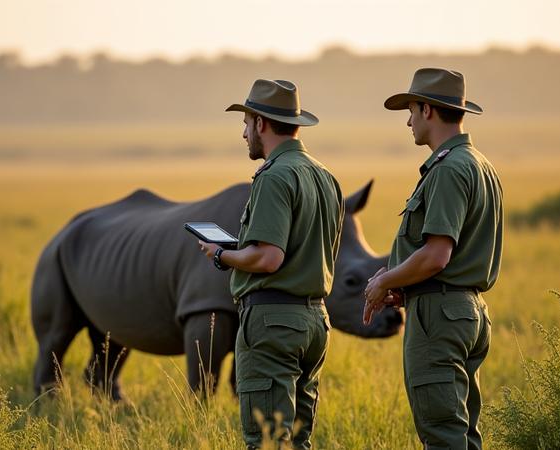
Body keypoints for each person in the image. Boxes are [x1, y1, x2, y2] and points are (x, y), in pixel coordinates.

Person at [197, 79, 344, 449]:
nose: (244, 133)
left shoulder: (274, 175)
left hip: (273, 323)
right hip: (314, 320)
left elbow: (268, 257)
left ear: (261, 123)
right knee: (297, 440)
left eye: (246, 123)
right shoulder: (325, 176)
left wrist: (221, 254)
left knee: (267, 440)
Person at [363, 68, 503, 450]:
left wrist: (384, 281)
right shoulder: (480, 165)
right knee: (462, 435)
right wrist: (405, 288)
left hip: (440, 319)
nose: (407, 120)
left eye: (410, 110)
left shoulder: (448, 169)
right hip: (467, 312)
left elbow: (436, 256)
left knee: (442, 436)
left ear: (427, 110)